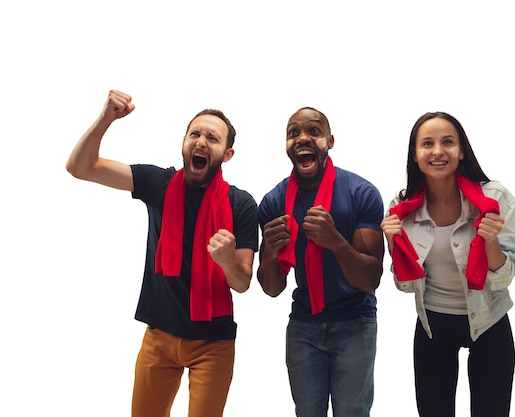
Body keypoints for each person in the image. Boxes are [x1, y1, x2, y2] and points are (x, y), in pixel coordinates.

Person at [65, 90, 259, 417]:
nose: (201, 141)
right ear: (184, 142)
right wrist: (105, 120)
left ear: (227, 154)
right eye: (194, 134)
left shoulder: (242, 205)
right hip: (159, 337)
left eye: (212, 138)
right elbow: (80, 168)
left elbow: (242, 282)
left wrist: (226, 260)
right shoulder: (159, 183)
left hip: (213, 343)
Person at [380, 111, 515, 417]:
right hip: (433, 327)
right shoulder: (400, 208)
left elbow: (503, 280)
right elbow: (405, 286)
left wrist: (490, 242)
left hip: (488, 323)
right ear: (415, 155)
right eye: (427, 144)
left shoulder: (495, 200)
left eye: (448, 142)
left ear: (462, 151)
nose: (437, 151)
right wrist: (394, 245)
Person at [257, 107, 384, 417]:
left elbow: (370, 280)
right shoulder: (274, 203)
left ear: (330, 141)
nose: (303, 138)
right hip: (303, 326)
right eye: (293, 133)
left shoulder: (361, 193)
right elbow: (272, 288)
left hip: (356, 322)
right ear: (286, 145)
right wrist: (270, 254)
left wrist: (335, 241)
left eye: (313, 131)